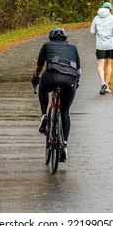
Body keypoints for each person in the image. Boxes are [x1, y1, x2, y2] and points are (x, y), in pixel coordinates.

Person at [31, 27, 81, 162]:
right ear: (65, 39)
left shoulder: (46, 46)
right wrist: (76, 83)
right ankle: (64, 145)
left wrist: (36, 77)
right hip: (69, 79)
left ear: (50, 38)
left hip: (51, 76)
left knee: (42, 86)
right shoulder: (73, 48)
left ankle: (45, 115)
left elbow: (40, 66)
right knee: (64, 112)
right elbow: (78, 69)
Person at [90, 2, 113, 95]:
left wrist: (98, 34)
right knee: (108, 64)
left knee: (100, 64)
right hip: (110, 45)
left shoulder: (96, 18)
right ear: (110, 9)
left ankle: (102, 82)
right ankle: (106, 85)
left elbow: (92, 31)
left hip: (100, 45)